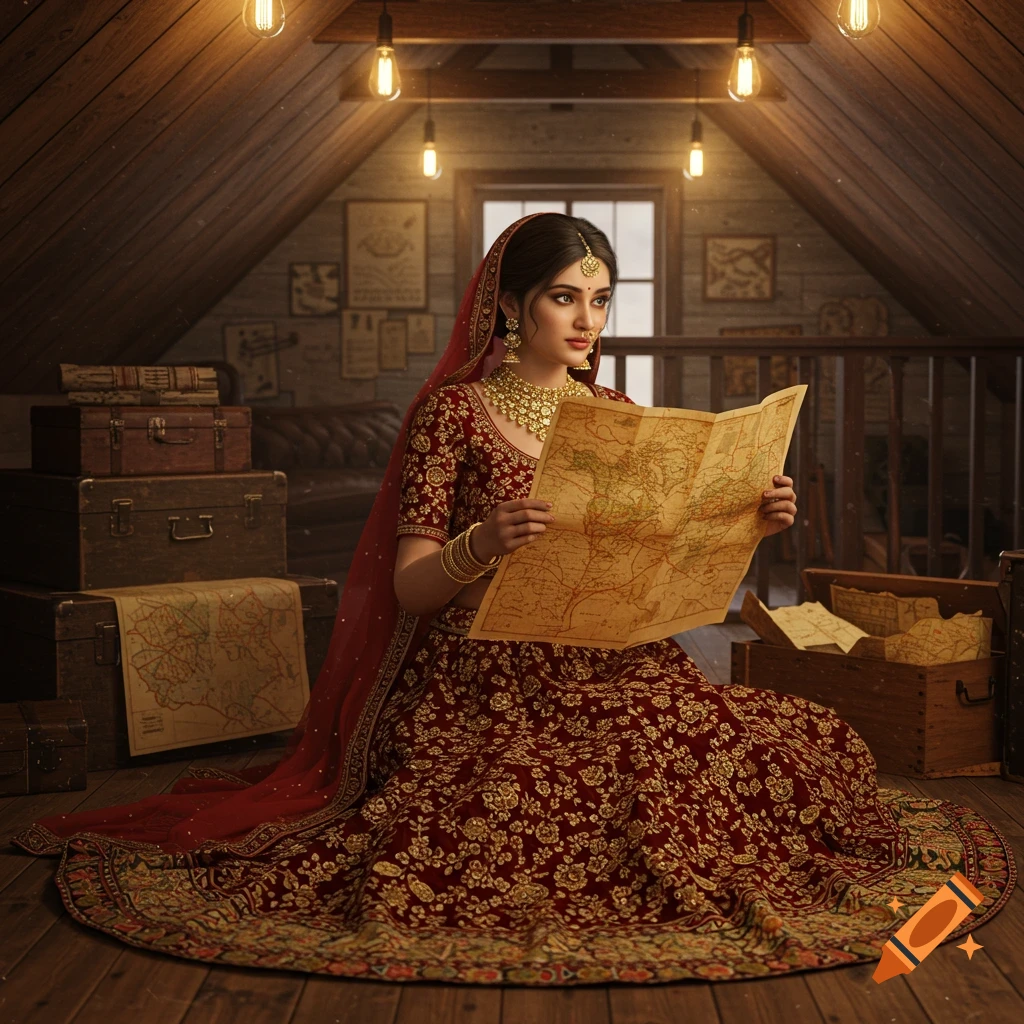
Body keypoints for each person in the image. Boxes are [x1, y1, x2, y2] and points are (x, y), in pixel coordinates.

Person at [13, 214, 1012, 985]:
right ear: (511, 306)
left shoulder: (614, 413)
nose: (586, 320)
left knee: (793, 741)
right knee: (529, 800)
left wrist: (749, 521)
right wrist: (480, 543)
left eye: (600, 300)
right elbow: (408, 585)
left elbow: (654, 561)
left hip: (615, 657)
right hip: (482, 670)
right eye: (564, 298)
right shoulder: (454, 416)